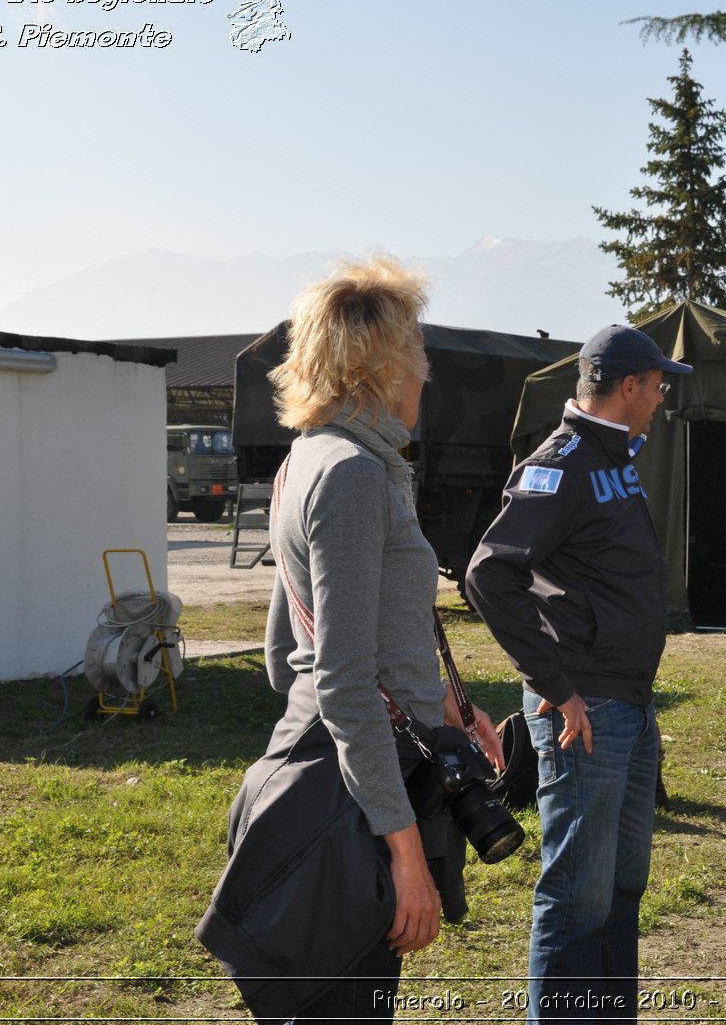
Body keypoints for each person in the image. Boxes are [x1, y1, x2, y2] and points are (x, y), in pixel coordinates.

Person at [262, 256, 502, 1023]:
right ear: (385, 366)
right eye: (419, 357)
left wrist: (447, 708)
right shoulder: (355, 475)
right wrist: (403, 852)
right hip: (359, 799)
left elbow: (283, 657)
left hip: (335, 770)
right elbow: (340, 681)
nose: (425, 378)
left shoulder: (306, 460)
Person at [465, 323, 692, 1023]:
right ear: (628, 386)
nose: (661, 398)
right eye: (657, 385)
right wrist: (558, 688)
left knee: (621, 886)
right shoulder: (563, 461)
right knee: (578, 894)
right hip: (585, 709)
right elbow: (488, 574)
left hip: (628, 704)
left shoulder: (612, 453)